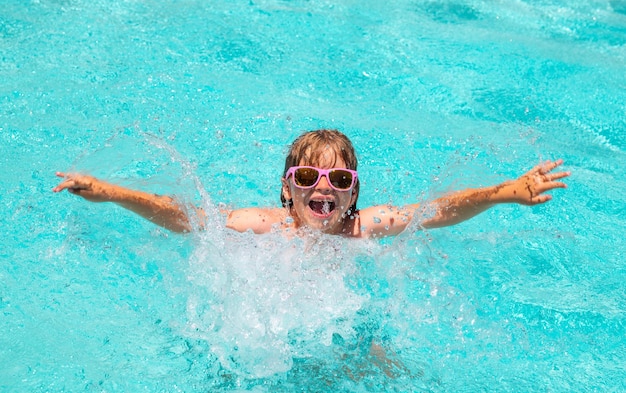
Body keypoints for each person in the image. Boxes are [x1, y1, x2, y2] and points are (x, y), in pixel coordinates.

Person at [53, 129, 569, 238]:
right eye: (307, 176)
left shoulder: (367, 227)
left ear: (354, 192)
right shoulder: (266, 225)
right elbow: (187, 217)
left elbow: (437, 209)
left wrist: (505, 192)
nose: (322, 188)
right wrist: (113, 193)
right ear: (286, 189)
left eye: (339, 178)